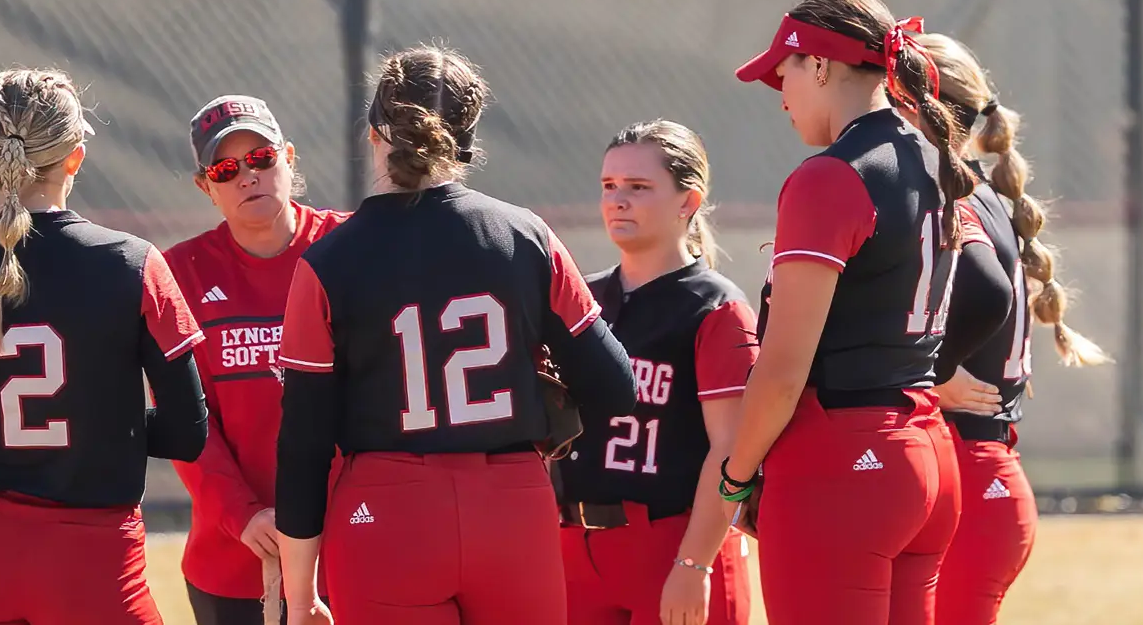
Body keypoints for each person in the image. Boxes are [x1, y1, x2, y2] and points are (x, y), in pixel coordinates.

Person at [274, 43, 640, 625]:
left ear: (374, 131)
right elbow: (617, 386)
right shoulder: (527, 237)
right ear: (465, 143)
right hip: (512, 507)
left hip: (388, 514)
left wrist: (298, 596)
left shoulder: (326, 263)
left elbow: (303, 445)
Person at [0, 67, 210, 625]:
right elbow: (190, 433)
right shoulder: (135, 263)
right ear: (75, 157)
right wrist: (97, 428)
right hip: (94, 558)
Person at [723, 0, 973, 625]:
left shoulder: (831, 176)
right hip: (926, 454)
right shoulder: (933, 158)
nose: (781, 96)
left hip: (842, 464)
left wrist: (735, 476)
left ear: (822, 65)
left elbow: (781, 374)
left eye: (785, 74)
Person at [911, 33, 1112, 625]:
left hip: (973, 477)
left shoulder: (959, 196)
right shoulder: (980, 189)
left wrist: (931, 372)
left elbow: (988, 294)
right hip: (981, 475)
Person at [558, 119, 756, 625]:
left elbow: (731, 451)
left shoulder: (716, 307)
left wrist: (695, 563)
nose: (617, 200)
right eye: (609, 186)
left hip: (675, 542)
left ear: (687, 202)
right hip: (574, 547)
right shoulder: (583, 297)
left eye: (639, 187)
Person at [165, 94, 351, 625]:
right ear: (206, 186)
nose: (248, 175)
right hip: (239, 555)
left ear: (287, 158)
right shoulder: (182, 272)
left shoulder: (349, 246)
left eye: (262, 158)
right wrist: (241, 515)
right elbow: (186, 421)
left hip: (352, 540)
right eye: (226, 168)